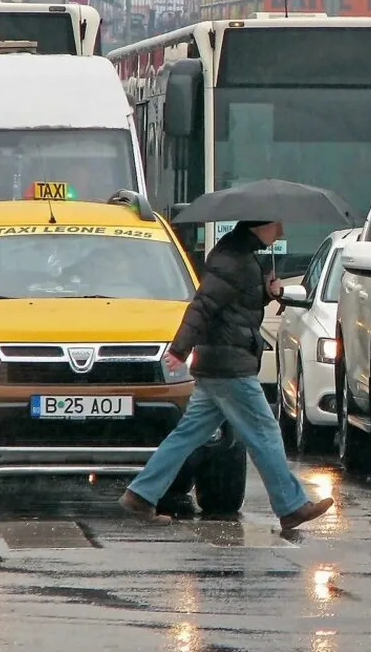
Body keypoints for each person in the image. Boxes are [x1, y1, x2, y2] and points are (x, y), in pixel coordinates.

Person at [118, 220, 335, 529]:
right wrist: (179, 349)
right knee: (265, 433)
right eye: (278, 226)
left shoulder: (239, 257)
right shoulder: (234, 260)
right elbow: (203, 306)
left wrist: (267, 293)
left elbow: (233, 305)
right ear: (261, 226)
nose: (282, 233)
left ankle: (140, 495)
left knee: (188, 435)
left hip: (220, 362)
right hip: (229, 365)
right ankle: (291, 506)